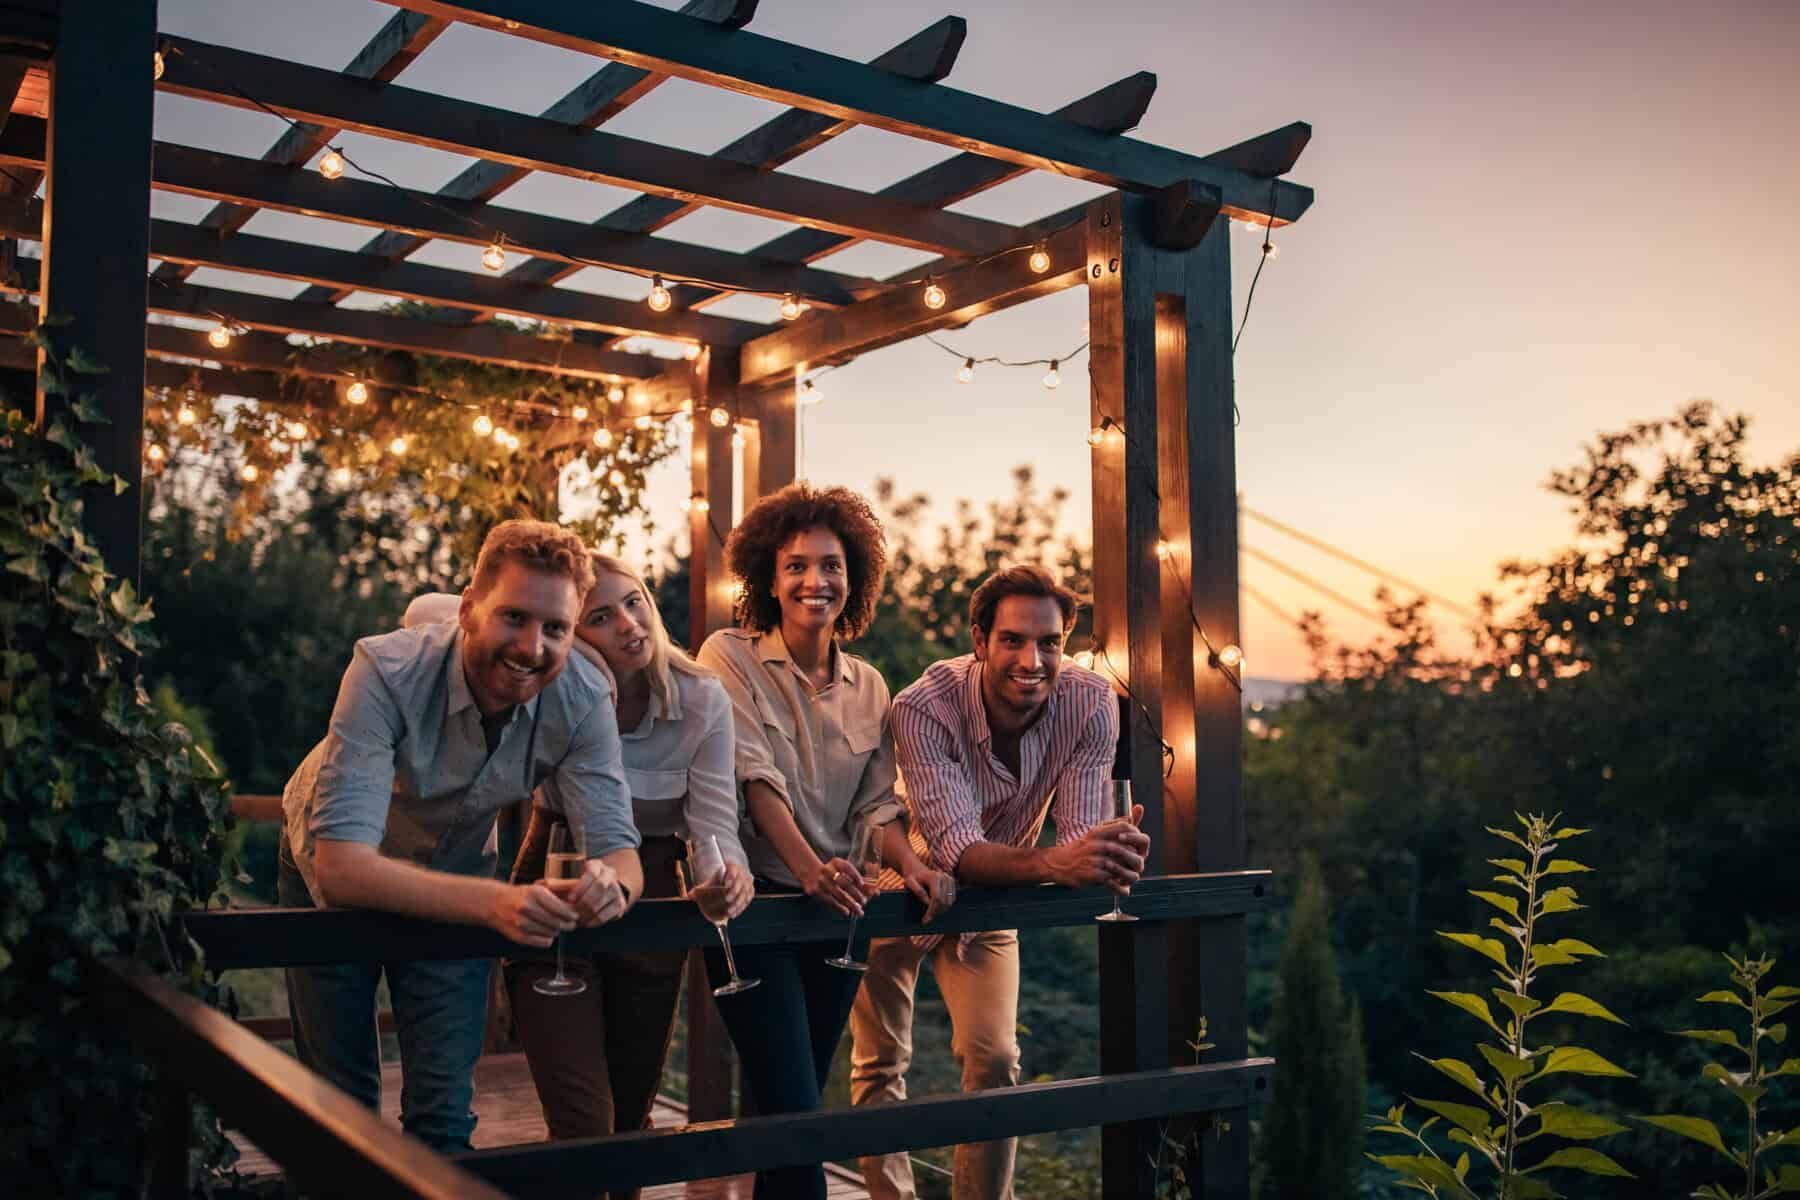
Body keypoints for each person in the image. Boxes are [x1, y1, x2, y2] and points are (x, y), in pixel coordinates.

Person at [276, 520, 641, 1152]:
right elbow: (342, 869)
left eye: (555, 628)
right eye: (514, 618)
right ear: (469, 609)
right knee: (342, 1111)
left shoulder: (582, 699)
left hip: (460, 870)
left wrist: (613, 888)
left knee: (443, 1120)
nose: (532, 647)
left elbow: (621, 853)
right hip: (329, 864)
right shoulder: (385, 669)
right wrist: (497, 905)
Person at [403, 555, 752, 1191]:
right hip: (554, 868)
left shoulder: (702, 698)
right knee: (582, 1119)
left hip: (653, 895)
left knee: (629, 1120)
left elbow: (713, 826)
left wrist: (723, 877)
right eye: (599, 616)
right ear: (570, 629)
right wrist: (571, 659)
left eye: (635, 602)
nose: (629, 624)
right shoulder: (553, 683)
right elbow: (424, 611)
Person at [849, 564, 1152, 1200]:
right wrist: (1058, 863)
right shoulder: (922, 706)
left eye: (1049, 643)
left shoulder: (1092, 701)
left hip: (992, 899)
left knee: (994, 1062)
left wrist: (1109, 853)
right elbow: (957, 847)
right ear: (979, 640)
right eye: (1013, 639)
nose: (1032, 659)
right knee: (880, 1063)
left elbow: (1077, 836)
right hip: (890, 886)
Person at [696, 483, 954, 1200]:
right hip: (755, 911)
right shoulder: (728, 657)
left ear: (855, 578)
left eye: (832, 565)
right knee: (796, 1111)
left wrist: (911, 866)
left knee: (794, 1110)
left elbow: (877, 805)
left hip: (841, 919)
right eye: (797, 565)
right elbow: (752, 777)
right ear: (768, 580)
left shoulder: (871, 686)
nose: (816, 580)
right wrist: (810, 868)